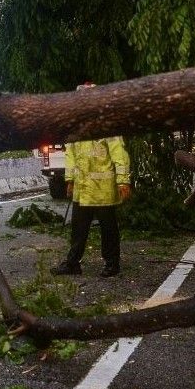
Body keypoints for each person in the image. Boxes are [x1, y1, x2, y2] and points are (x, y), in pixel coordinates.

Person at [52, 83, 132, 278]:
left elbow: (119, 154)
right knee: (78, 228)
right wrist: (70, 180)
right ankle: (73, 263)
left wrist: (123, 181)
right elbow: (71, 155)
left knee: (108, 228)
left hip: (103, 189)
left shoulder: (107, 124)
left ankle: (112, 264)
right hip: (82, 189)